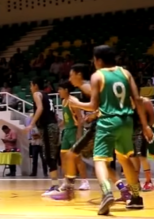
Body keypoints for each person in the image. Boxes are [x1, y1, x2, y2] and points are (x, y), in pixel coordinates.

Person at [64, 46, 150, 215]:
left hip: (108, 121)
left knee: (100, 160)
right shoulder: (126, 73)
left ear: (99, 60)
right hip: (127, 121)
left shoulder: (98, 76)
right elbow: (138, 99)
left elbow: (93, 106)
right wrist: (145, 125)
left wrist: (76, 103)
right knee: (125, 159)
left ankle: (106, 193)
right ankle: (135, 198)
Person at [50, 64, 131, 203]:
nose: (70, 78)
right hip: (116, 123)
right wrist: (94, 114)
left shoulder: (86, 86)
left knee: (71, 156)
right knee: (103, 165)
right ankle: (125, 191)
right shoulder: (89, 86)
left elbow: (96, 104)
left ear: (79, 74)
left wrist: (78, 104)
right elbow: (103, 104)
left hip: (101, 127)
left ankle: (69, 191)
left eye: (71, 75)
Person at [21, 78, 60, 195]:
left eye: (31, 85)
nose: (30, 88)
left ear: (35, 85)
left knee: (48, 156)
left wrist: (31, 124)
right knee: (51, 155)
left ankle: (55, 186)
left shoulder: (37, 94)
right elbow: (54, 114)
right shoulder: (46, 96)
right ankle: (57, 185)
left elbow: (40, 108)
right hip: (52, 126)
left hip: (48, 127)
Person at [56, 81, 90, 190]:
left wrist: (79, 134)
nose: (58, 92)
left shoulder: (73, 101)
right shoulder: (63, 101)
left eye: (60, 89)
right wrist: (58, 126)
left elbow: (80, 119)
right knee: (63, 156)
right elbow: (66, 120)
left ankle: (85, 182)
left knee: (76, 158)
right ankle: (67, 181)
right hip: (67, 131)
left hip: (75, 130)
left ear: (66, 90)